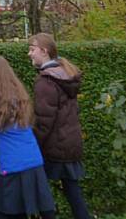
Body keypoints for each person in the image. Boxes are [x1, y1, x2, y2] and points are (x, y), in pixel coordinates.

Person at [0, 55, 56, 219]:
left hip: (12, 165)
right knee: (43, 210)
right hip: (33, 161)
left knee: (7, 212)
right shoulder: (19, 94)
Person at [28, 33, 92, 219]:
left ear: (44, 51)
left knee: (40, 192)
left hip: (54, 147)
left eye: (32, 50)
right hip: (70, 144)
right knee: (73, 192)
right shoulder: (65, 75)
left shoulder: (46, 82)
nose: (29, 54)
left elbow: (43, 121)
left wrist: (34, 146)